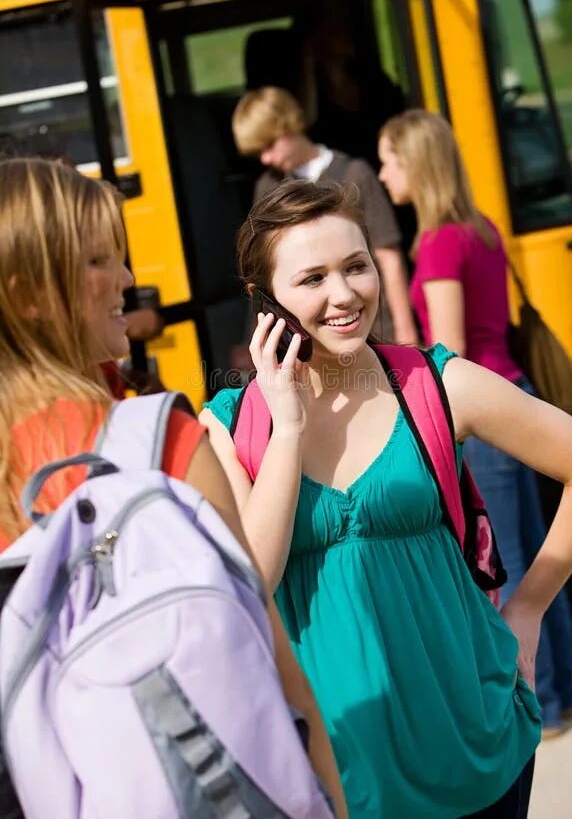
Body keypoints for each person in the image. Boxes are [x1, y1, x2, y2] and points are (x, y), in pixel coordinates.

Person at [200, 179, 572, 818]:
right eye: (312, 279)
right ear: (264, 300)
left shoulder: (435, 382)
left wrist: (528, 611)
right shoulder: (227, 426)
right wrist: (290, 426)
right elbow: (255, 577)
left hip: (474, 740)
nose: (344, 294)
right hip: (334, 772)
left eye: (356, 266)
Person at [0, 157, 347, 818]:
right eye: (100, 260)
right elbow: (273, 672)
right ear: (29, 297)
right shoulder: (155, 439)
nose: (129, 280)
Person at [377, 108, 572, 738]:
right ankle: (561, 687)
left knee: (509, 555)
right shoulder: (482, 228)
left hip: (485, 412)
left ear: (416, 163)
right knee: (539, 545)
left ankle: (538, 701)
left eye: (388, 160)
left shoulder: (438, 243)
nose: (382, 175)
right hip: (515, 389)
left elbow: (451, 351)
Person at [232, 85, 417, 345]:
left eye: (269, 145)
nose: (265, 158)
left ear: (290, 125)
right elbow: (261, 272)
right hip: (308, 338)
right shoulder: (268, 186)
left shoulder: (355, 174)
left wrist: (405, 329)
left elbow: (388, 256)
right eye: (258, 152)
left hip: (375, 326)